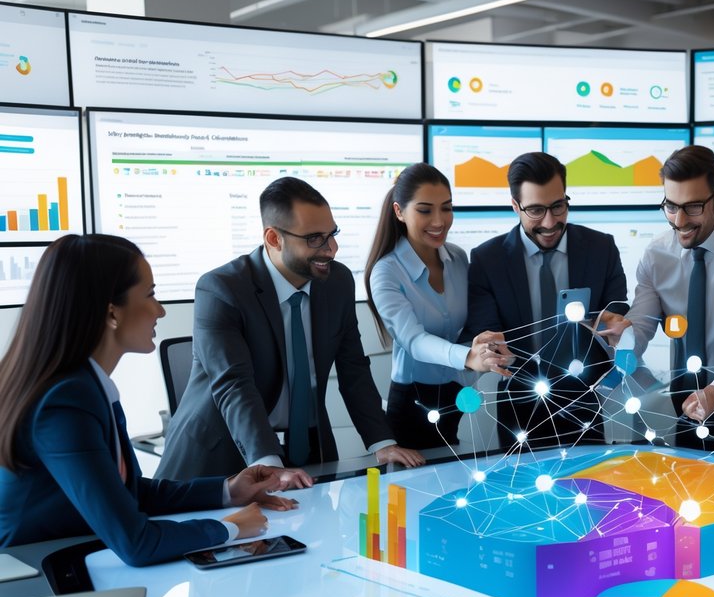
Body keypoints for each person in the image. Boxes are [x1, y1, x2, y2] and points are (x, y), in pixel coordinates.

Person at [0, 234, 310, 566]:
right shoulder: (64, 402)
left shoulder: (86, 385)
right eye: (150, 295)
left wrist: (228, 491)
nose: (160, 310)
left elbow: (130, 493)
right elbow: (137, 543)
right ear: (111, 313)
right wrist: (227, 529)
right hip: (38, 577)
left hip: (73, 557)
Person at [158, 177, 423, 479]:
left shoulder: (336, 282)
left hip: (309, 451)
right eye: (314, 239)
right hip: (222, 459)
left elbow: (354, 369)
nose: (331, 249)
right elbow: (234, 385)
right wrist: (269, 465)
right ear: (274, 238)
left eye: (332, 234)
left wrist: (382, 441)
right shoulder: (222, 288)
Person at [601, 145, 714, 449]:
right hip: (685, 400)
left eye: (693, 207)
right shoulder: (657, 254)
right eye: (671, 206)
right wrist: (625, 337)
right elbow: (642, 326)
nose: (680, 221)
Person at [465, 152, 628, 448]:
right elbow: (485, 328)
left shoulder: (600, 247)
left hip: (584, 404)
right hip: (520, 409)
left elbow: (616, 306)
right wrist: (492, 349)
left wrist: (614, 323)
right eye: (536, 210)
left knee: (592, 489)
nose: (551, 222)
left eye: (558, 206)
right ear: (515, 206)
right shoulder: (487, 260)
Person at [365, 164, 513, 449]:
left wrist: (485, 345)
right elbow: (415, 341)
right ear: (399, 212)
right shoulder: (386, 271)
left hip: (457, 395)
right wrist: (467, 356)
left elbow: (470, 325)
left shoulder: (457, 259)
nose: (439, 220)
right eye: (425, 210)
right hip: (411, 403)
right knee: (408, 490)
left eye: (446, 208)